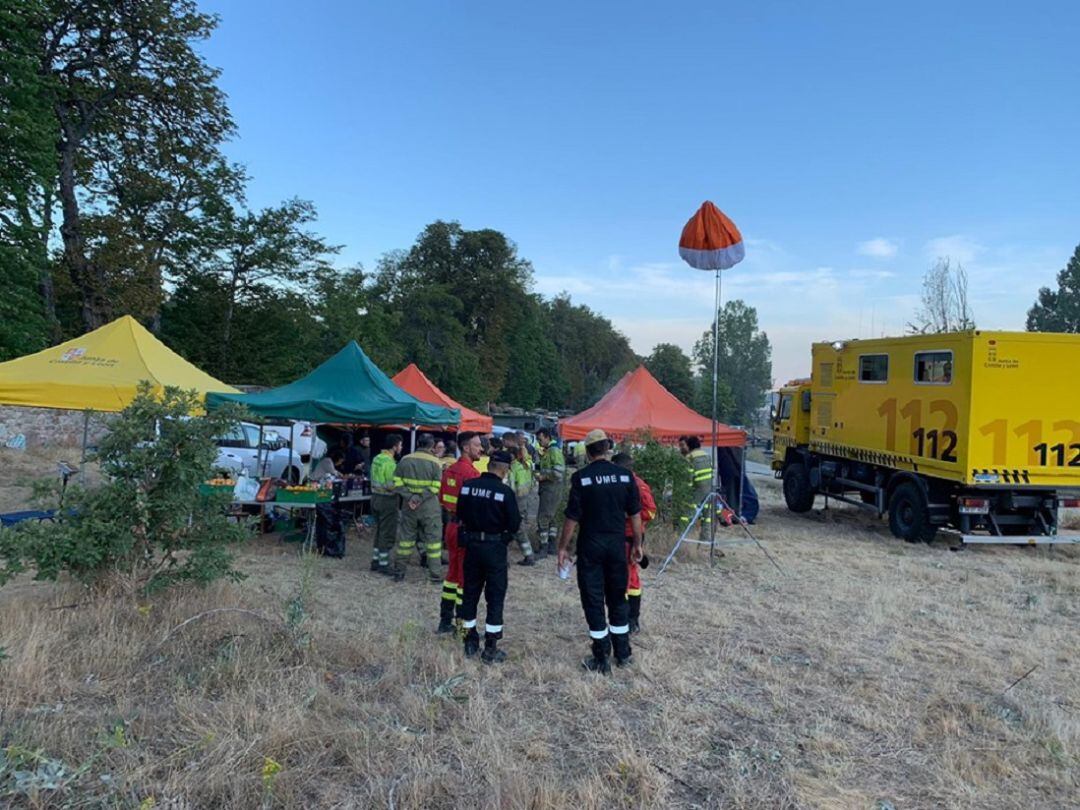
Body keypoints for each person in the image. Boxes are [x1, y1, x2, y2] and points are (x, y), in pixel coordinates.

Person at [557, 429, 643, 673]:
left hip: (590, 545)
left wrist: (563, 548)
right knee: (618, 597)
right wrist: (637, 544)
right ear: (607, 448)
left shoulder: (581, 478)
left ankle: (601, 656)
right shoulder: (626, 477)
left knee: (593, 599)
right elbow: (635, 515)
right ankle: (623, 653)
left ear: (587, 451)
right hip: (617, 545)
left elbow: (572, 518)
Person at [457, 450, 521, 663]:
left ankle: (469, 640)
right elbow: (514, 524)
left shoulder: (467, 487)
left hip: (472, 546)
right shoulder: (505, 492)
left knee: (470, 594)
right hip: (494, 548)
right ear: (503, 468)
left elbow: (460, 514)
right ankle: (491, 647)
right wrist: (503, 539)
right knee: (495, 596)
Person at [437, 431, 482, 634]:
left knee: (452, 576)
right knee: (465, 579)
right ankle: (462, 625)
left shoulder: (449, 471)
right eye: (477, 445)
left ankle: (445, 621)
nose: (481, 448)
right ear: (466, 447)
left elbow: (442, 499)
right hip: (466, 529)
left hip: (451, 527)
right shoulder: (471, 474)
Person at [612, 453, 656, 633]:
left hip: (631, 535)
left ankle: (630, 619)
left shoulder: (638, 485)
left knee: (627, 576)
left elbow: (650, 512)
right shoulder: (619, 483)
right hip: (618, 535)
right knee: (624, 575)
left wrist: (629, 516)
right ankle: (626, 618)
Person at [392, 433, 445, 582]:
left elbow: (396, 482)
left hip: (409, 506)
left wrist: (410, 497)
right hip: (429, 506)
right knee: (433, 541)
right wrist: (420, 498)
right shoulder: (436, 462)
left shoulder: (404, 459)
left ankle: (399, 572)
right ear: (432, 446)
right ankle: (435, 574)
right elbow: (436, 487)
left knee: (405, 539)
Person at [369, 434, 403, 574]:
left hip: (375, 498)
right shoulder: (390, 463)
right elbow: (390, 485)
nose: (401, 448)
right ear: (394, 447)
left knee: (379, 531)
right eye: (400, 445)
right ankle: (383, 564)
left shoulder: (377, 458)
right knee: (387, 533)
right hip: (387, 500)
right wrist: (402, 486)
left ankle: (375, 561)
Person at [502, 433, 537, 565]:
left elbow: (509, 487)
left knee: (507, 529)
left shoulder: (513, 468)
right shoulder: (525, 464)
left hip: (514, 501)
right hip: (523, 500)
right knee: (518, 529)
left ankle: (505, 559)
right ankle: (529, 555)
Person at [534, 428, 566, 557]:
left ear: (547, 437)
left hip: (550, 488)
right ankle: (551, 546)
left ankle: (543, 547)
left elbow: (558, 472)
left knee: (543, 517)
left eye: (540, 439)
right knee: (552, 518)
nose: (539, 442)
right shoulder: (549, 451)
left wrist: (543, 477)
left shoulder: (553, 451)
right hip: (551, 488)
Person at [681, 435, 713, 540]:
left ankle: (685, 535)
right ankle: (705, 537)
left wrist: (687, 492)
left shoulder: (690, 457)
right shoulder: (707, 456)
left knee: (687, 511)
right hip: (709, 488)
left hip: (698, 488)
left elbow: (688, 476)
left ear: (689, 446)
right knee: (707, 514)